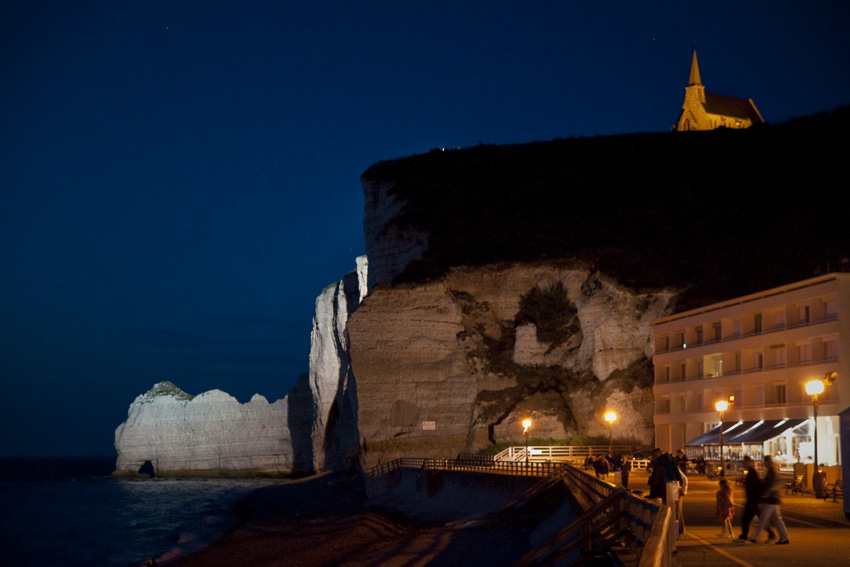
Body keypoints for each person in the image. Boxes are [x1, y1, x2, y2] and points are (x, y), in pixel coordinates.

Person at [750, 456, 790, 544]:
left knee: (763, 518)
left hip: (770, 499)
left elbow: (770, 485)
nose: (763, 464)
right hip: (774, 499)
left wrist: (765, 495)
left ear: (768, 462)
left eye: (764, 462)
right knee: (777, 520)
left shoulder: (771, 473)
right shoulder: (772, 471)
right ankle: (784, 537)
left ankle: (755, 537)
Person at [737, 456, 776, 543]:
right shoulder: (751, 473)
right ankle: (771, 533)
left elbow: (754, 488)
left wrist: (756, 499)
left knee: (746, 519)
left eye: (744, 462)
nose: (743, 464)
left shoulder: (752, 473)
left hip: (752, 501)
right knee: (760, 519)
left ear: (748, 462)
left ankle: (744, 536)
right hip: (753, 500)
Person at [676, 465, 688, 538]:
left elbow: (684, 479)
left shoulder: (675, 470)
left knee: (678, 513)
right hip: (674, 493)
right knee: (678, 513)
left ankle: (679, 531)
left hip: (677, 493)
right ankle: (680, 531)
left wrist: (682, 491)